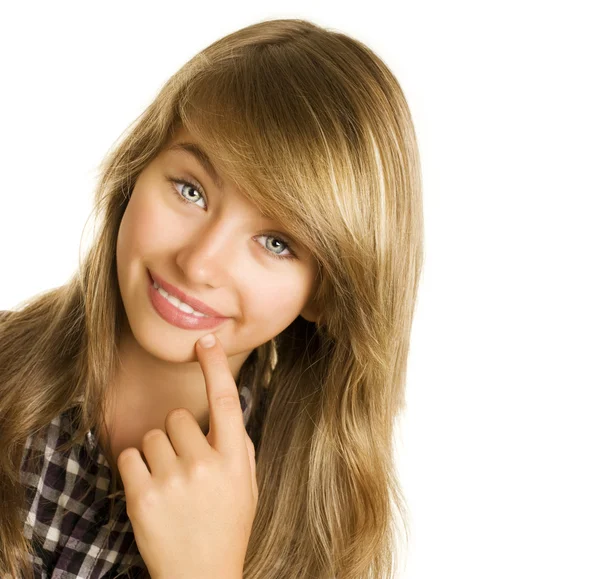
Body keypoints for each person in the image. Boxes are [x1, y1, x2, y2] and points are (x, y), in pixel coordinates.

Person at [0, 17, 424, 579]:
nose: (199, 263)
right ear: (136, 172)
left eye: (276, 243)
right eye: (191, 189)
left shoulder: (316, 528)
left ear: (327, 295)